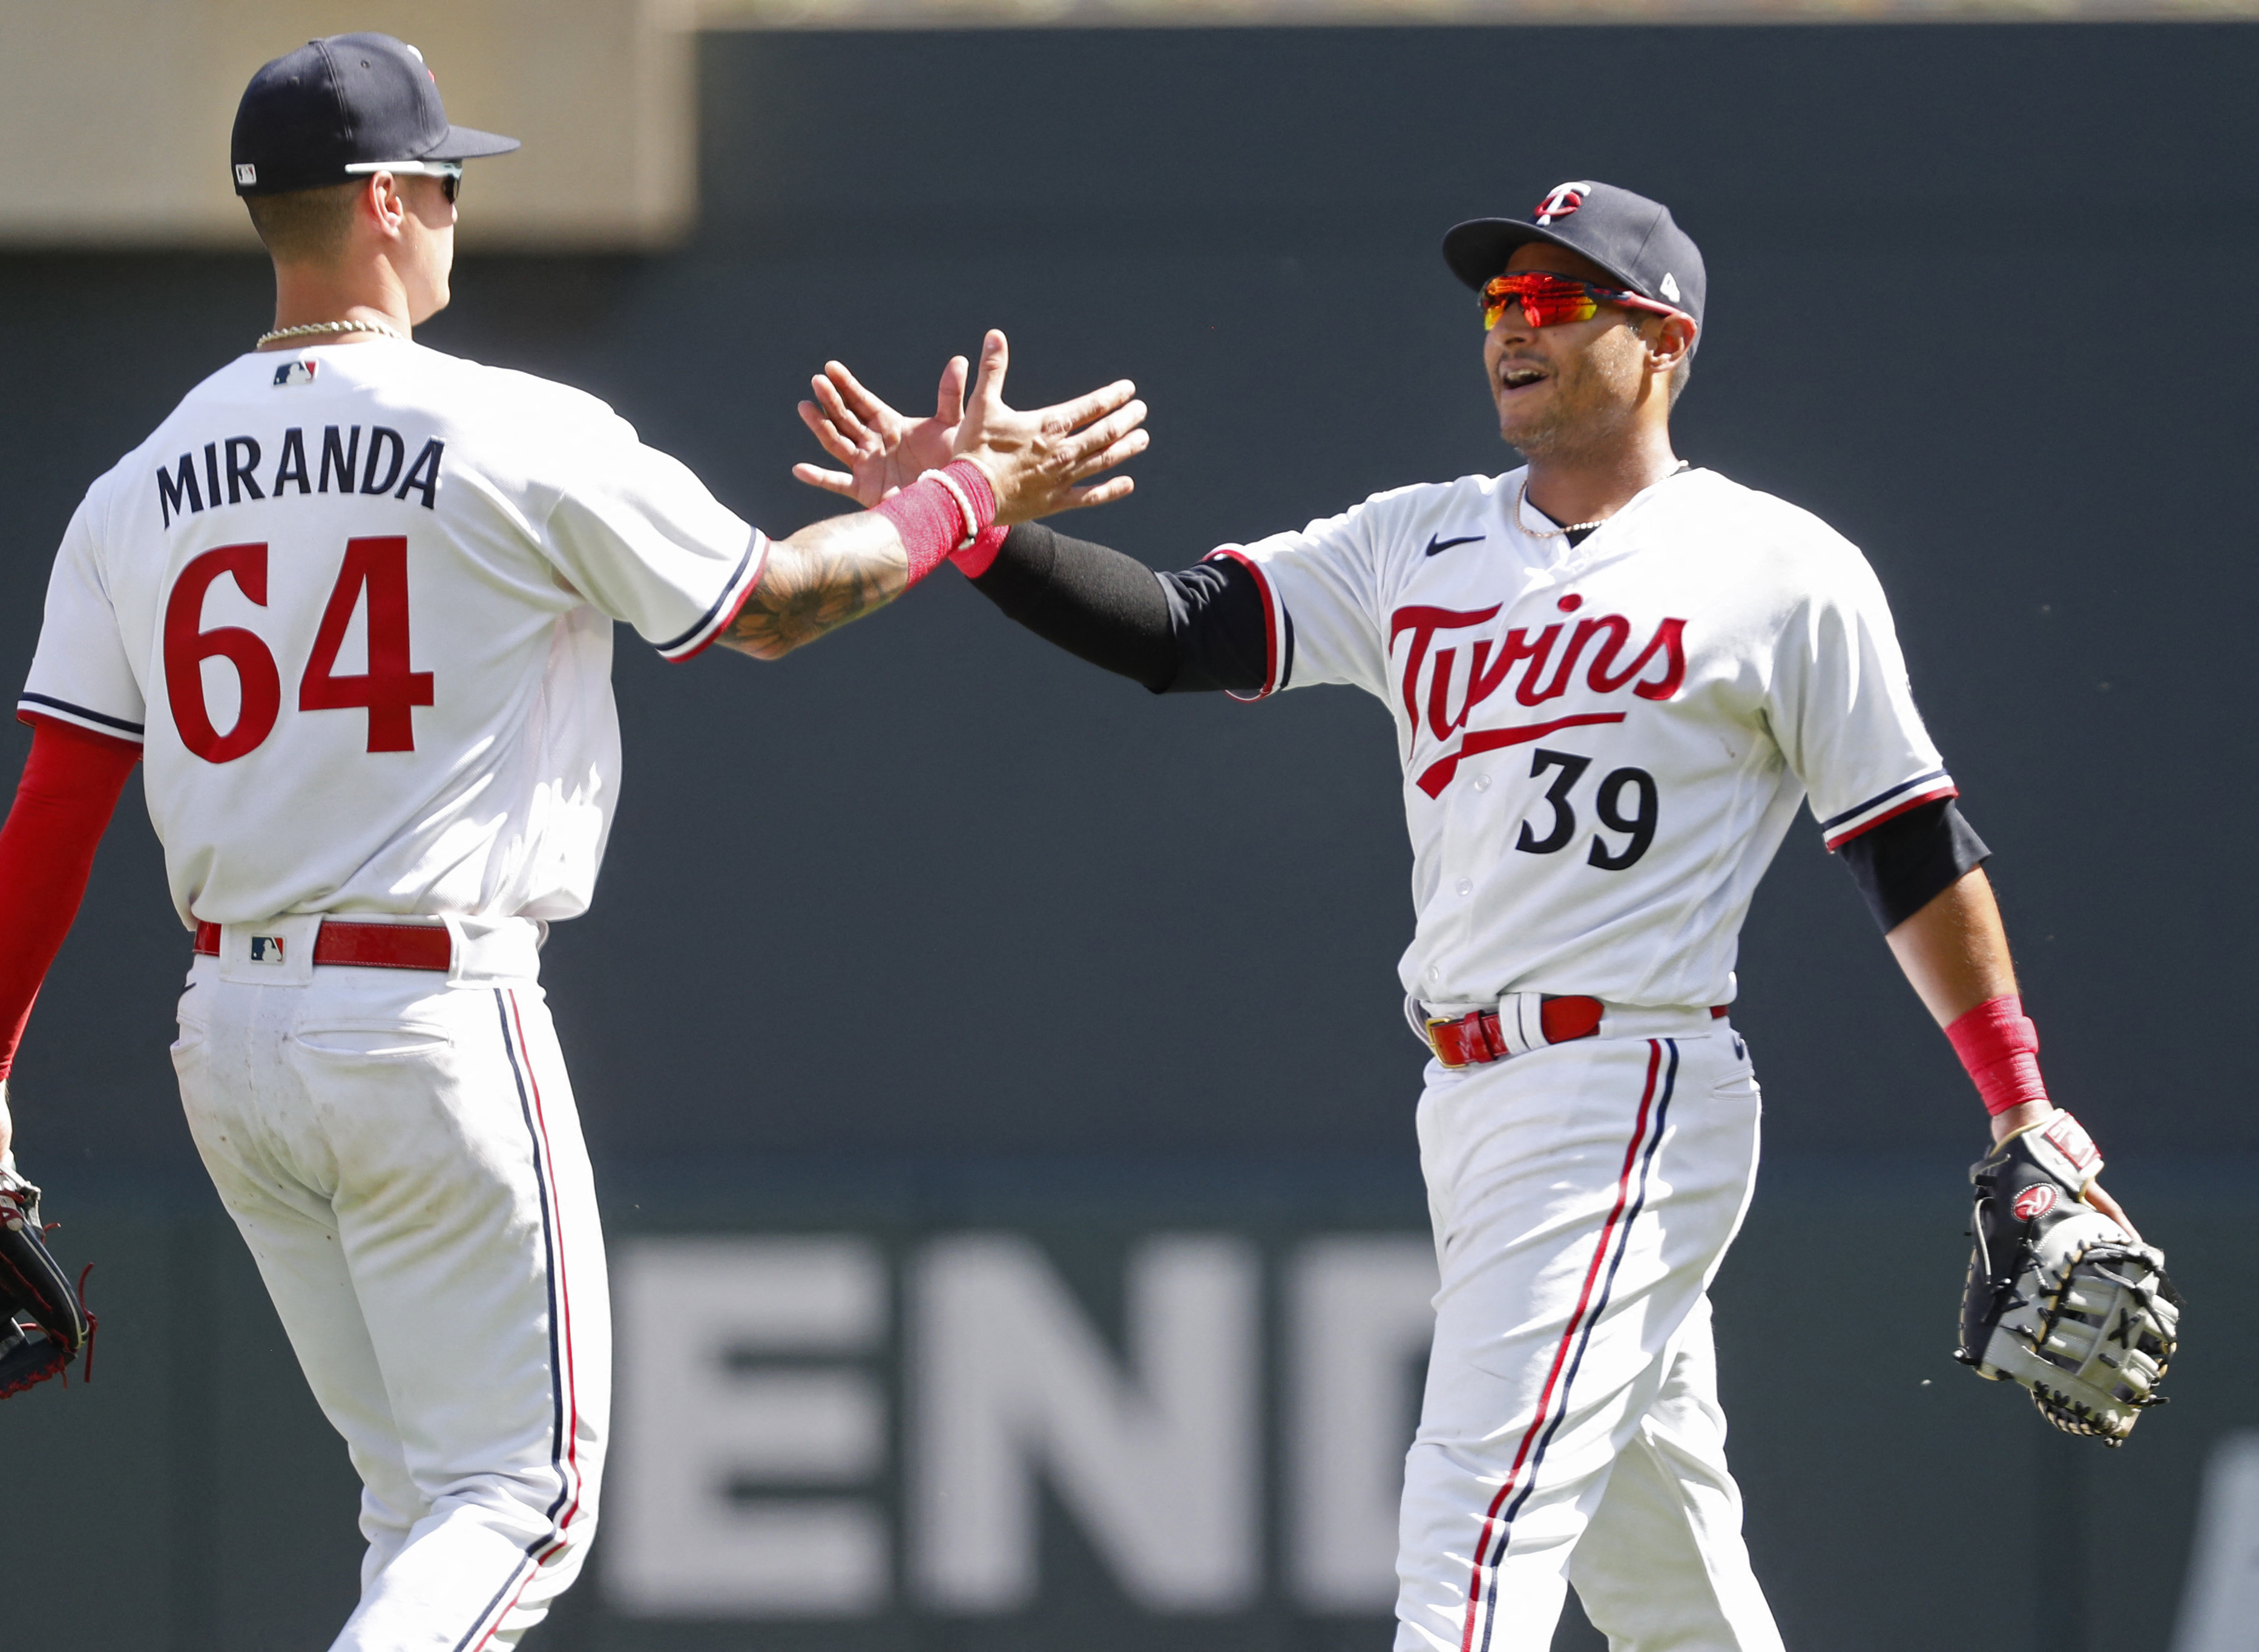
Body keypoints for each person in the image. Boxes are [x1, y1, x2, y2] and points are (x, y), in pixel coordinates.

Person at [0, 31, 1145, 1651]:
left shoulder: (138, 487)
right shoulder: (510, 432)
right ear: (395, 199)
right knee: (523, 1499)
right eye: (452, 179)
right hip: (428, 1017)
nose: (460, 209)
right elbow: (767, 608)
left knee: (419, 1507)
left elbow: (57, 803)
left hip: (235, 1040)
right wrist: (961, 502)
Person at [794, 179, 2136, 1651]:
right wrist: (971, 530)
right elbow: (1183, 633)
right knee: (1663, 1579)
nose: (1513, 325)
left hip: (1623, 1081)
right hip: (1470, 1101)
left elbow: (1906, 844)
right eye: (1499, 301)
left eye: (1558, 301)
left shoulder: (1781, 570)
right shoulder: (1413, 542)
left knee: (1469, 1524)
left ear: (1661, 340)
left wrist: (2024, 1114)